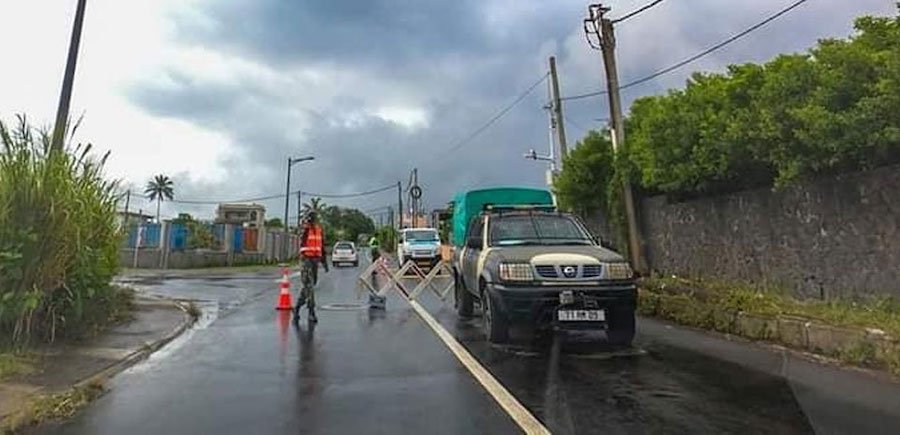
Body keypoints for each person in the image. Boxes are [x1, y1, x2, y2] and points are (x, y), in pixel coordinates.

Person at [293, 211, 328, 323]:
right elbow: (301, 242)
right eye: (311, 218)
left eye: (313, 218)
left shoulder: (319, 230)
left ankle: (297, 307)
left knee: (310, 285)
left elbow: (322, 246)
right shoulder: (305, 229)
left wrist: (324, 262)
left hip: (315, 261)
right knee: (309, 286)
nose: (312, 220)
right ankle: (311, 312)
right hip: (306, 260)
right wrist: (306, 226)